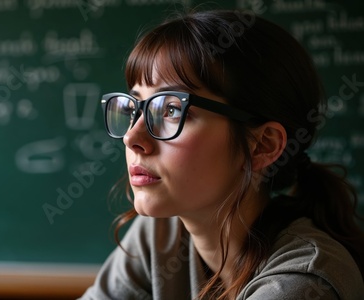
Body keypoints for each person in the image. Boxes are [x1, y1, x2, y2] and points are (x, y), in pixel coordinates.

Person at [79, 9, 364, 300]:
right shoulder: (162, 235)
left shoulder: (304, 283)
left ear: (263, 145)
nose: (132, 137)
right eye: (135, 108)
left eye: (172, 109)